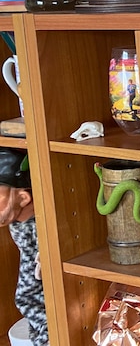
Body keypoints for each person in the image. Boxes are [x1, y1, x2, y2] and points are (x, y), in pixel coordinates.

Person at [0, 148, 47, 345]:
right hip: (31, 263)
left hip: (39, 269)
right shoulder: (18, 220)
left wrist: (44, 253)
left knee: (27, 297)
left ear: (23, 198)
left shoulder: (36, 224)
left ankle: (46, 338)